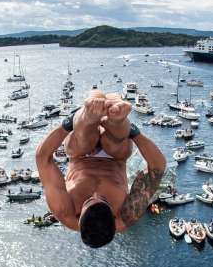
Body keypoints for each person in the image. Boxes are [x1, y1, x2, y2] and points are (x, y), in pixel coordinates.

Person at [36, 90, 166, 248]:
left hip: (80, 155)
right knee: (116, 140)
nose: (96, 194)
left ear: (79, 216)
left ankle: (89, 115)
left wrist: (68, 124)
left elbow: (43, 158)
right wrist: (134, 133)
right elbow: (157, 166)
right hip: (115, 158)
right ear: (113, 216)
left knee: (85, 135)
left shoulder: (65, 210)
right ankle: (116, 117)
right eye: (104, 201)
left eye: (89, 200)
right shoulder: (126, 215)